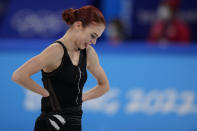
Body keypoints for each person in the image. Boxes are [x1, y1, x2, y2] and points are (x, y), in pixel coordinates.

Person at [11, 5, 110, 131]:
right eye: (93, 35)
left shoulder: (88, 53)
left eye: (97, 38)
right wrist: (45, 93)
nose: (94, 41)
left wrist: (82, 97)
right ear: (78, 26)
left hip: (74, 123)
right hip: (51, 123)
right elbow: (19, 75)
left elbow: (104, 86)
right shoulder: (56, 51)